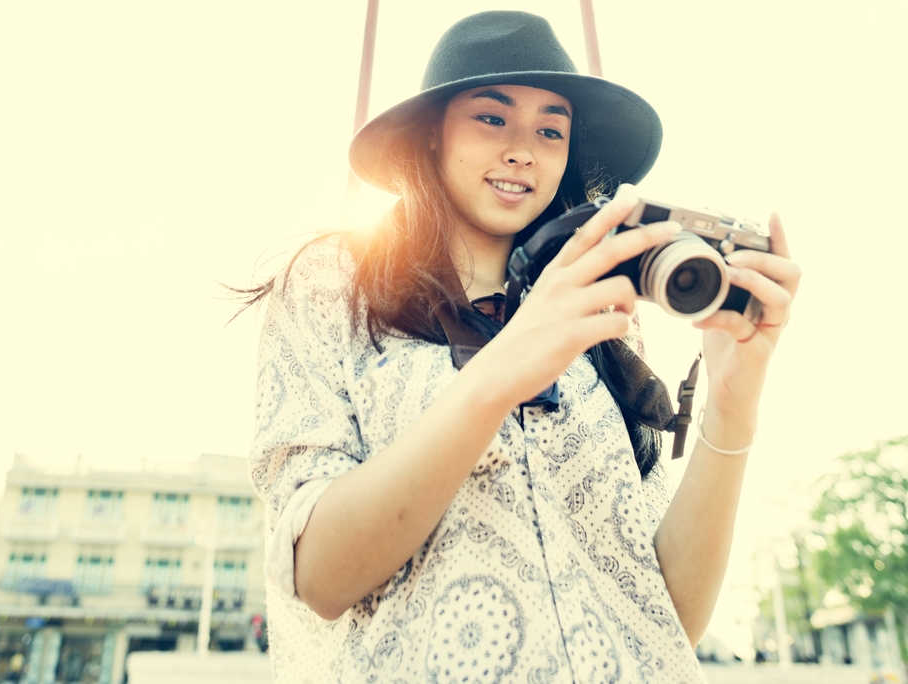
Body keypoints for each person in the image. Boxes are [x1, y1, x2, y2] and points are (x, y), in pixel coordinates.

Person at [242, 10, 800, 683]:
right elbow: (321, 577)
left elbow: (663, 619)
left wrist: (734, 405)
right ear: (430, 138)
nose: (523, 148)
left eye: (550, 128)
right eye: (491, 117)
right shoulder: (334, 283)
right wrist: (507, 365)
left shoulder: (602, 314)